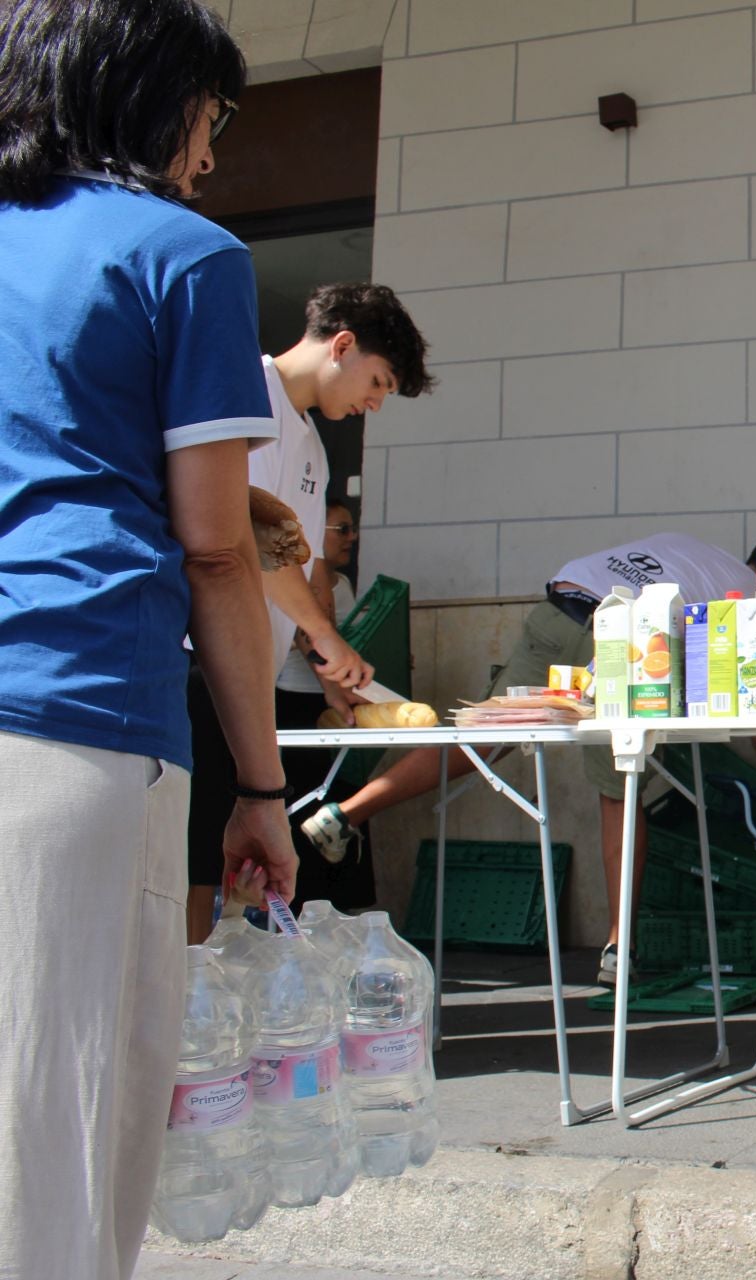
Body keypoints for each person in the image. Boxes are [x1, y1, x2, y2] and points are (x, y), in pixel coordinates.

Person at [0, 3, 298, 1275]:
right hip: (77, 718)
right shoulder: (183, 253)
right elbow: (219, 549)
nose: (212, 154)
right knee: (59, 1137)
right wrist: (263, 786)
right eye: (210, 116)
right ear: (146, 93)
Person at [301, 533, 756, 983]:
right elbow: (755, 697)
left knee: (481, 736)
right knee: (620, 785)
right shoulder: (751, 592)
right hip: (620, 637)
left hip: (559, 609)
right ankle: (620, 946)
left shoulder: (687, 546)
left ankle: (346, 813)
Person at [186, 284, 433, 942]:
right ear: (342, 346)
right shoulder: (243, 393)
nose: (374, 402)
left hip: (251, 680)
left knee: (234, 866)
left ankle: (215, 1004)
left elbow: (306, 568)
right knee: (194, 862)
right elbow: (245, 537)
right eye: (377, 382)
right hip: (196, 666)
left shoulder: (315, 448)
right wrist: (325, 634)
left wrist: (325, 660)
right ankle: (187, 1011)